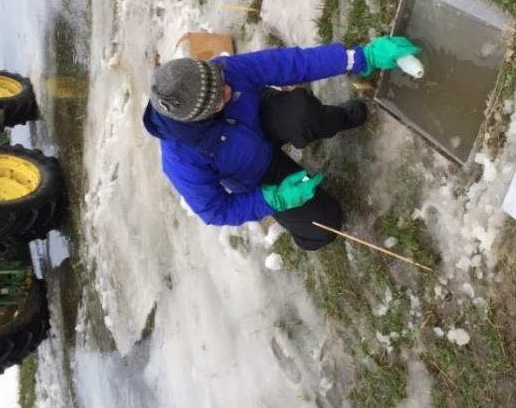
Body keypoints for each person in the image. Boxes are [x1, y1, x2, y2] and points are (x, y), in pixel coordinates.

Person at [142, 35, 420, 251]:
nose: (227, 89)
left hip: (263, 120)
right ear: (198, 117)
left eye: (221, 81)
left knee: (304, 115)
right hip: (255, 174)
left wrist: (362, 57)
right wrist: (271, 200)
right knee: (323, 227)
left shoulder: (222, 73)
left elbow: (291, 63)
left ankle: (337, 119)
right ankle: (297, 218)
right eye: (218, 99)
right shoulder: (181, 159)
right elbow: (215, 210)